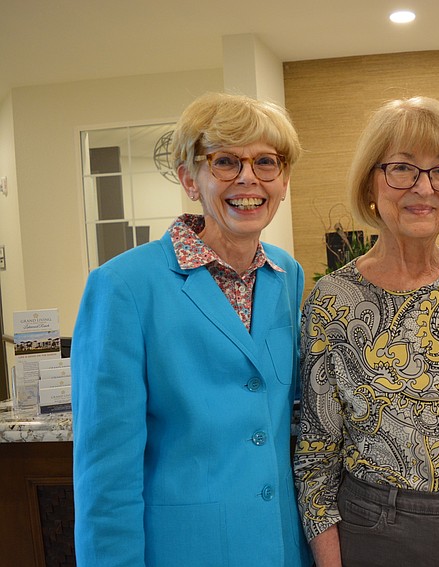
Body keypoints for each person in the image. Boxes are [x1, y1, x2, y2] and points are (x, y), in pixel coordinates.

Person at [71, 92, 312, 567]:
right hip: (185, 550)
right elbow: (106, 475)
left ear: (283, 181)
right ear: (189, 179)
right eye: (225, 161)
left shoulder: (287, 274)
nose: (249, 178)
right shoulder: (122, 286)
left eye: (266, 162)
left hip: (283, 547)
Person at [294, 96, 439, 567]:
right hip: (380, 527)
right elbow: (315, 454)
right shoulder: (334, 298)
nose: (425, 188)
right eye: (403, 169)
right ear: (371, 183)